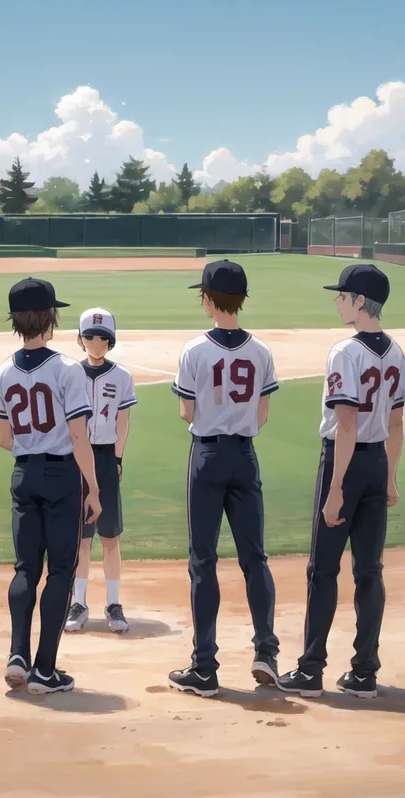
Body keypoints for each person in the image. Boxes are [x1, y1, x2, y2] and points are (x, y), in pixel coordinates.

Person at [278, 264, 404, 700]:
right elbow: (397, 421)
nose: (336, 301)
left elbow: (346, 424)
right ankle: (365, 673)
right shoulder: (396, 352)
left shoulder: (344, 353)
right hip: (376, 464)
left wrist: (335, 490)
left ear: (359, 302)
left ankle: (310, 672)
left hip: (344, 466)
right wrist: (389, 477)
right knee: (369, 571)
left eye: (342, 296)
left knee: (323, 570)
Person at [168, 259, 280, 697]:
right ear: (242, 299)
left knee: (203, 561)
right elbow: (263, 414)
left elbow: (186, 412)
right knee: (255, 558)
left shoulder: (195, 349)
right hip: (244, 457)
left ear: (207, 300)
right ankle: (266, 653)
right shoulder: (261, 350)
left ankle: (205, 668)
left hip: (208, 455)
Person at [0, 277, 102, 696]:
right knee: (60, 570)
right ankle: (45, 670)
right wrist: (93, 487)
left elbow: (3, 438)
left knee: (25, 569)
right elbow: (78, 437)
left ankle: (17, 655)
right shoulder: (66, 369)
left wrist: (31, 451)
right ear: (50, 318)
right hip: (61, 477)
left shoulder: (4, 370)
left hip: (23, 473)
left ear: (16, 320)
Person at [65, 307, 137, 634]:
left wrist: (118, 457)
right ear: (80, 340)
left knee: (110, 535)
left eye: (103, 337)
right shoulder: (70, 373)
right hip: (78, 458)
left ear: (110, 341)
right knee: (81, 536)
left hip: (106, 458)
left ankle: (113, 602)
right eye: (90, 337)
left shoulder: (121, 376)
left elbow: (123, 420)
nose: (96, 342)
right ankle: (78, 602)